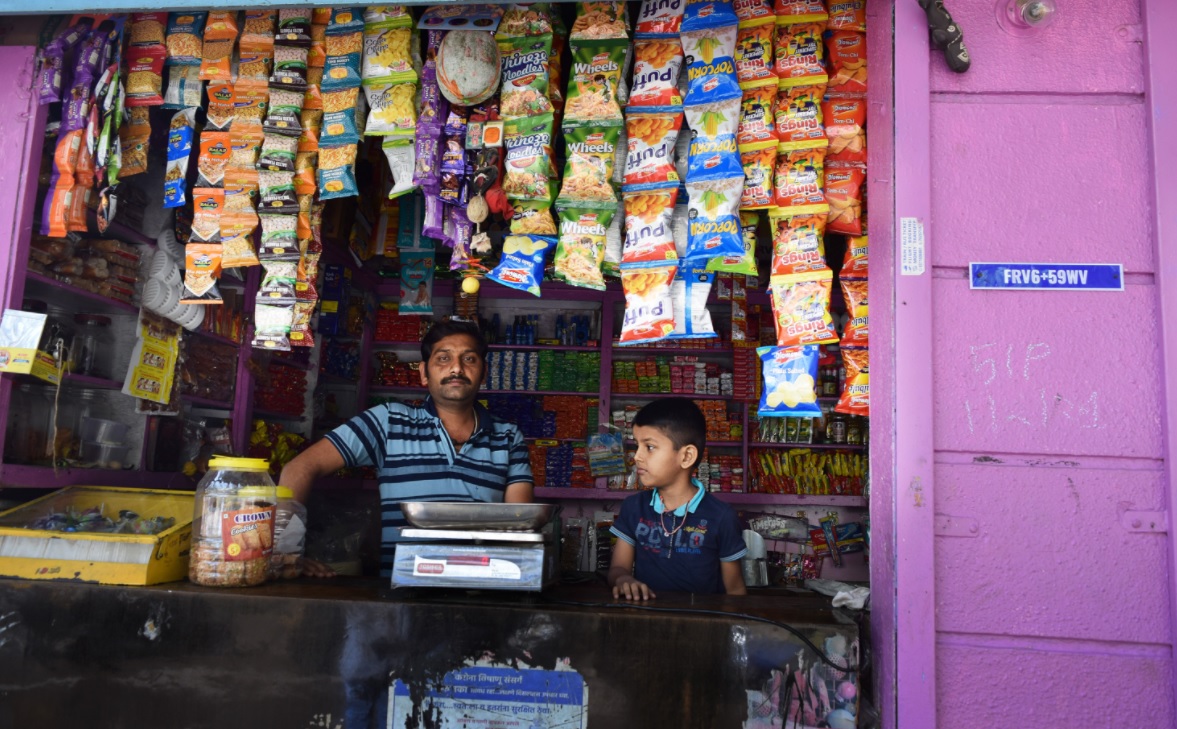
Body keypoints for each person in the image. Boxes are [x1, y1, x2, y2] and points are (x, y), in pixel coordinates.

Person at [279, 320, 534, 577]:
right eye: (443, 358)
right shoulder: (388, 421)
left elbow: (518, 524)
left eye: (469, 359)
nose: (456, 368)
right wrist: (286, 551)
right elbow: (300, 468)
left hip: (481, 589)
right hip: (402, 591)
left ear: (483, 372)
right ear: (424, 373)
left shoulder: (508, 437)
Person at [608, 398, 748, 599]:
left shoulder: (721, 517)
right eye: (637, 445)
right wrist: (623, 579)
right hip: (645, 622)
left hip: (703, 625)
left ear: (686, 457)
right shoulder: (634, 507)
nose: (637, 456)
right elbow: (618, 568)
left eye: (649, 447)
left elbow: (735, 591)